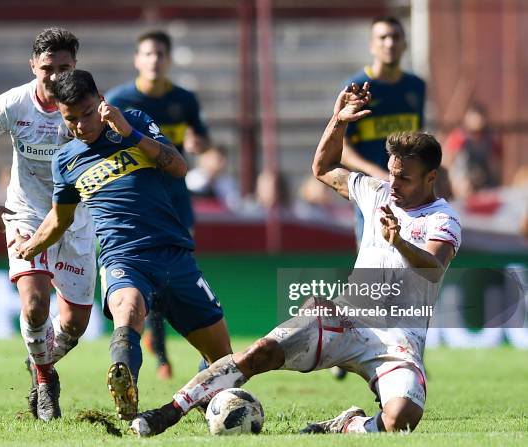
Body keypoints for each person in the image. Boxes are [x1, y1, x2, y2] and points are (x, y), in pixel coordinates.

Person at [130, 82, 461, 437]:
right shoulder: (376, 191)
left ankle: (347, 426)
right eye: (392, 172)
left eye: (405, 178)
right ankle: (168, 412)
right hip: (344, 317)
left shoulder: (443, 220)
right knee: (259, 353)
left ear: (431, 177)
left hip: (398, 338)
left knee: (401, 419)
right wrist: (338, 120)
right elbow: (324, 168)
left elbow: (433, 267)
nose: (393, 182)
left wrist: (398, 242)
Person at [13, 69, 233, 421]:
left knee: (223, 360)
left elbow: (178, 166)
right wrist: (29, 246)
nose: (81, 126)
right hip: (123, 257)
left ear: (100, 103)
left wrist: (129, 135)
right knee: (128, 310)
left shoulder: (134, 121)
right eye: (71, 120)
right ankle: (125, 387)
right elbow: (60, 219)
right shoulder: (66, 160)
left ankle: (208, 393)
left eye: (86, 115)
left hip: (172, 251)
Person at [0, 28, 96, 422]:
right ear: (33, 66)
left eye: (64, 67)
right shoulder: (13, 105)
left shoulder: (90, 107)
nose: (55, 76)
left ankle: (38, 364)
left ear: (75, 67)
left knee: (74, 325)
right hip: (27, 216)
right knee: (34, 307)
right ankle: (47, 382)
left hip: (77, 221)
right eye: (47, 68)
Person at [105, 30, 211, 380]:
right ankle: (161, 353)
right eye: (147, 53)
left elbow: (202, 137)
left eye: (160, 54)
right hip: (140, 202)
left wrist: (199, 143)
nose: (154, 60)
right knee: (149, 275)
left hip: (176, 199)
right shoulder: (120, 100)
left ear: (168, 59)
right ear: (138, 59)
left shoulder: (184, 100)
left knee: (179, 271)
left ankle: (174, 345)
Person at [342, 16, 426, 245]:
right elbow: (343, 149)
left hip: (410, 195)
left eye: (396, 37)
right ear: (372, 45)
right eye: (383, 38)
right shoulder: (358, 87)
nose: (389, 43)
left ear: (405, 44)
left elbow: (418, 140)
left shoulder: (416, 87)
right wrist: (376, 174)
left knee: (410, 268)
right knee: (372, 270)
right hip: (373, 194)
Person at [443, 103, 502, 199]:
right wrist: (455, 181)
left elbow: (496, 165)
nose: (477, 121)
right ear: (467, 118)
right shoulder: (458, 137)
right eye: (474, 118)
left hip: (485, 180)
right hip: (463, 181)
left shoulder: (491, 139)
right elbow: (446, 161)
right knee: (464, 185)